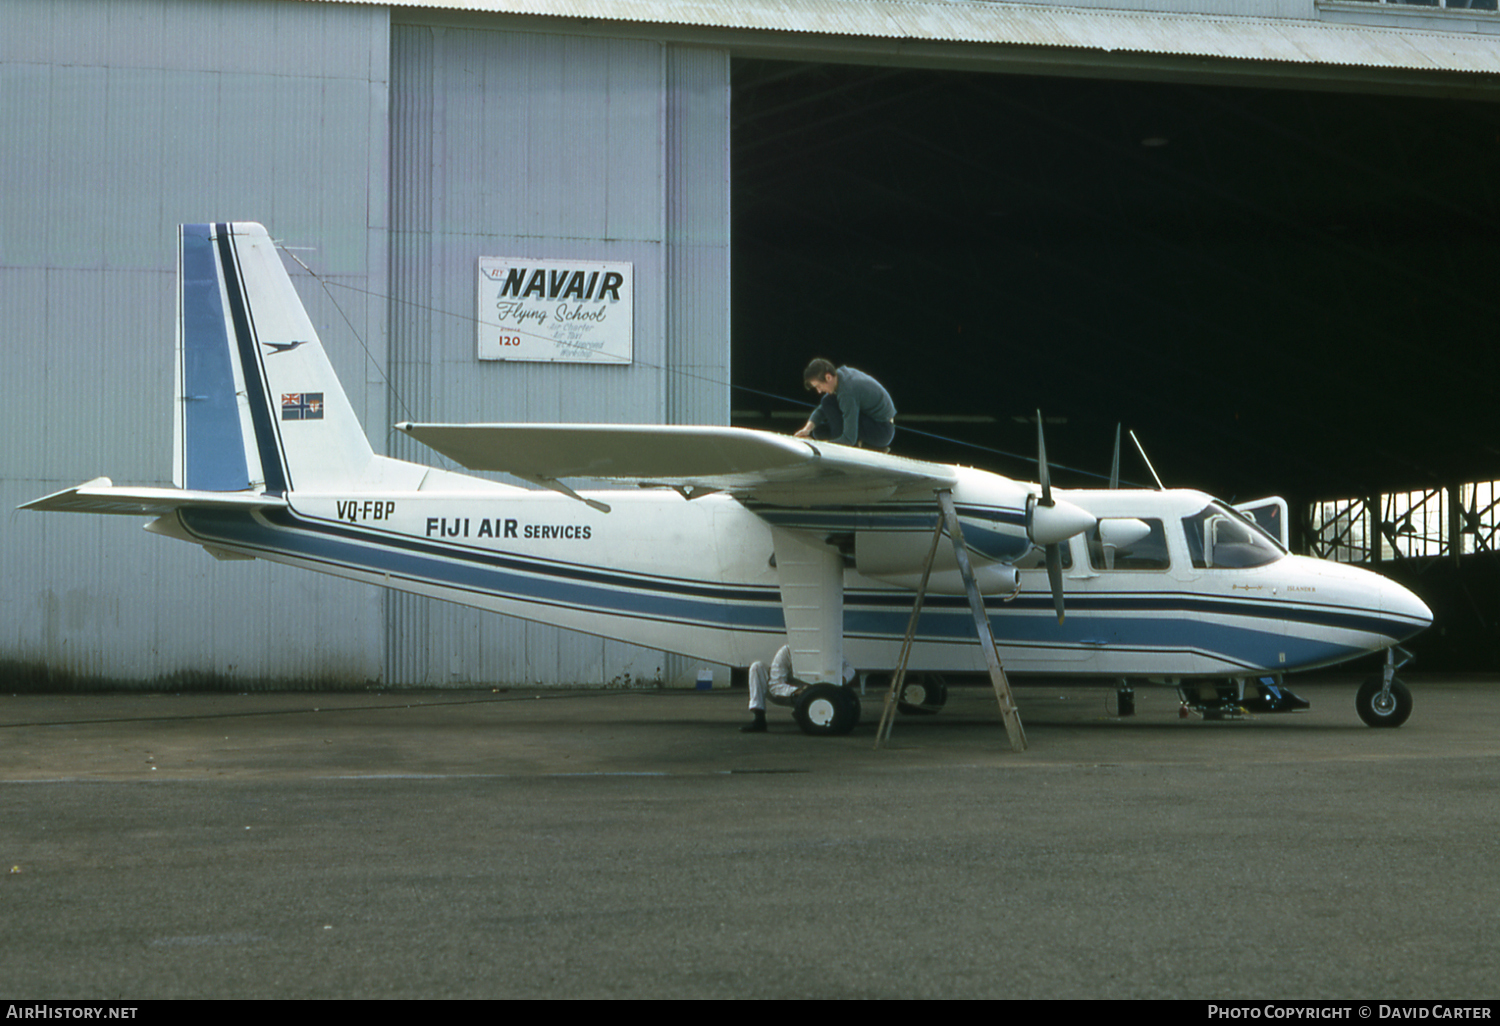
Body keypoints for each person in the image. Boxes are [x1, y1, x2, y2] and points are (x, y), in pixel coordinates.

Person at [741, 644, 857, 733]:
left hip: (818, 693)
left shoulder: (825, 651)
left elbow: (849, 668)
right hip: (789, 694)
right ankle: (759, 718)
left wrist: (841, 679)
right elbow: (775, 686)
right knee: (757, 667)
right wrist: (798, 691)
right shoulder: (786, 651)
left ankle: (805, 713)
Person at [793, 358, 896, 451]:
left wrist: (823, 446)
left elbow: (849, 438)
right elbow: (822, 409)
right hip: (873, 422)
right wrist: (807, 429)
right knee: (819, 431)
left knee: (828, 402)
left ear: (828, 377)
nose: (819, 391)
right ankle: (862, 443)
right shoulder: (841, 376)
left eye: (818, 386)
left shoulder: (847, 392)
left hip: (881, 431)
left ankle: (861, 444)